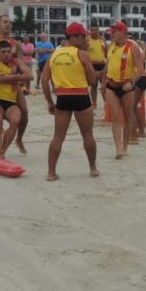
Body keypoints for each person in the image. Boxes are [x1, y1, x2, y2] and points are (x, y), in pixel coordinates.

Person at [42, 22, 99, 180]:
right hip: (81, 95)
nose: (85, 39)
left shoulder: (54, 54)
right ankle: (93, 168)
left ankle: (51, 172)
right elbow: (93, 79)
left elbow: (44, 80)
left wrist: (50, 102)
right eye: (83, 36)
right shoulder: (82, 54)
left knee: (58, 137)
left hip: (63, 97)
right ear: (74, 37)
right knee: (87, 135)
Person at [0, 15, 31, 155]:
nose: (8, 24)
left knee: (24, 113)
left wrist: (21, 79)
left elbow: (21, 63)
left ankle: (19, 139)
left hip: (12, 84)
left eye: (9, 22)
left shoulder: (15, 43)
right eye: (5, 22)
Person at [103, 21, 146, 158]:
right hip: (111, 85)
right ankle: (118, 148)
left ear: (122, 32)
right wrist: (103, 82)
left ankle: (125, 145)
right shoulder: (111, 46)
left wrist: (132, 82)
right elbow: (108, 64)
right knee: (115, 117)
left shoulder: (133, 47)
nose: (111, 34)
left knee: (128, 117)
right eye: (111, 32)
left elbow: (140, 68)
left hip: (127, 85)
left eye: (114, 32)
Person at [86, 23, 107, 110]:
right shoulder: (87, 39)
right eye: (92, 30)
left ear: (98, 30)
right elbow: (82, 50)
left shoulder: (102, 39)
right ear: (89, 31)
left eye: (96, 30)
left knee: (104, 86)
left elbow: (106, 51)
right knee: (94, 86)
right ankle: (94, 104)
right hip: (92, 65)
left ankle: (107, 104)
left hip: (102, 64)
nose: (94, 32)